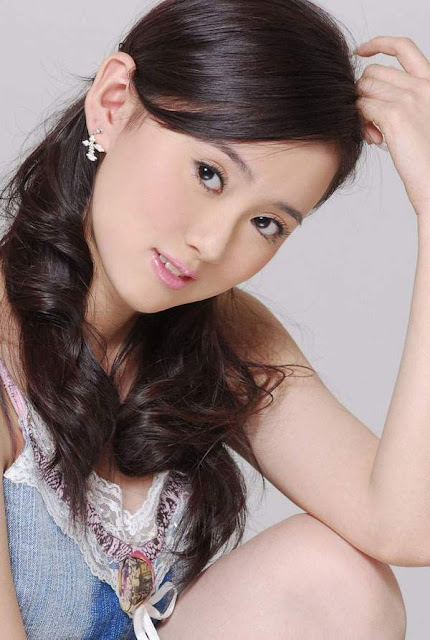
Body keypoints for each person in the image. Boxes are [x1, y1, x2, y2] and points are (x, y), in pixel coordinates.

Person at [5, 0, 430, 636]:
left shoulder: (220, 333)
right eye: (209, 173)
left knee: (341, 582)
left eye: (266, 222)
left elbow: (405, 522)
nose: (210, 243)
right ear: (114, 104)